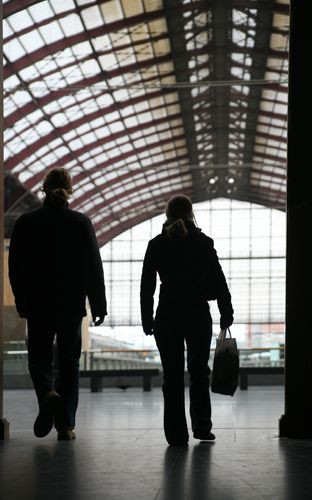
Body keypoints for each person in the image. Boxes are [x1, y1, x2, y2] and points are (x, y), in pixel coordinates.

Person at [9, 168, 107, 440]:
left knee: (38, 360)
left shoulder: (26, 223)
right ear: (70, 190)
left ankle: (47, 393)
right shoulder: (80, 223)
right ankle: (66, 426)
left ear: (43, 189)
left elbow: (14, 267)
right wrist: (98, 306)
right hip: (71, 305)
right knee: (69, 364)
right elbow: (92, 268)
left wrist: (21, 299)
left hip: (38, 305)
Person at [140, 194, 233, 446]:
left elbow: (147, 286)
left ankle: (176, 434)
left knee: (171, 376)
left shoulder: (156, 244)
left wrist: (146, 318)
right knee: (199, 372)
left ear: (167, 215)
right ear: (192, 214)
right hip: (197, 313)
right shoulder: (203, 242)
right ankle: (202, 427)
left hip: (167, 314)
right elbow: (219, 279)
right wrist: (226, 311)